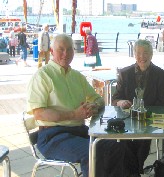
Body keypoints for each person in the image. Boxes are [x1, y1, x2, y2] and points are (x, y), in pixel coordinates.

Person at [26, 34, 131, 177]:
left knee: (117, 146)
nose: (66, 54)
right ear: (51, 51)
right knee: (92, 153)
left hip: (78, 131)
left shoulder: (77, 76)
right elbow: (39, 113)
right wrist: (74, 115)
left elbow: (98, 99)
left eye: (69, 49)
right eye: (61, 49)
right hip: (52, 136)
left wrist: (93, 105)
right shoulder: (43, 76)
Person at [112, 39, 164, 175]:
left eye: (146, 53)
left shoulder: (160, 74)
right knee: (124, 143)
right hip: (128, 118)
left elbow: (162, 102)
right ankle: (135, 172)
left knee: (143, 142)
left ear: (151, 55)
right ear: (134, 54)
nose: (142, 57)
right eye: (138, 53)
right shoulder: (125, 73)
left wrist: (146, 114)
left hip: (149, 119)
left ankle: (133, 172)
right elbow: (115, 99)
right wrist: (121, 102)